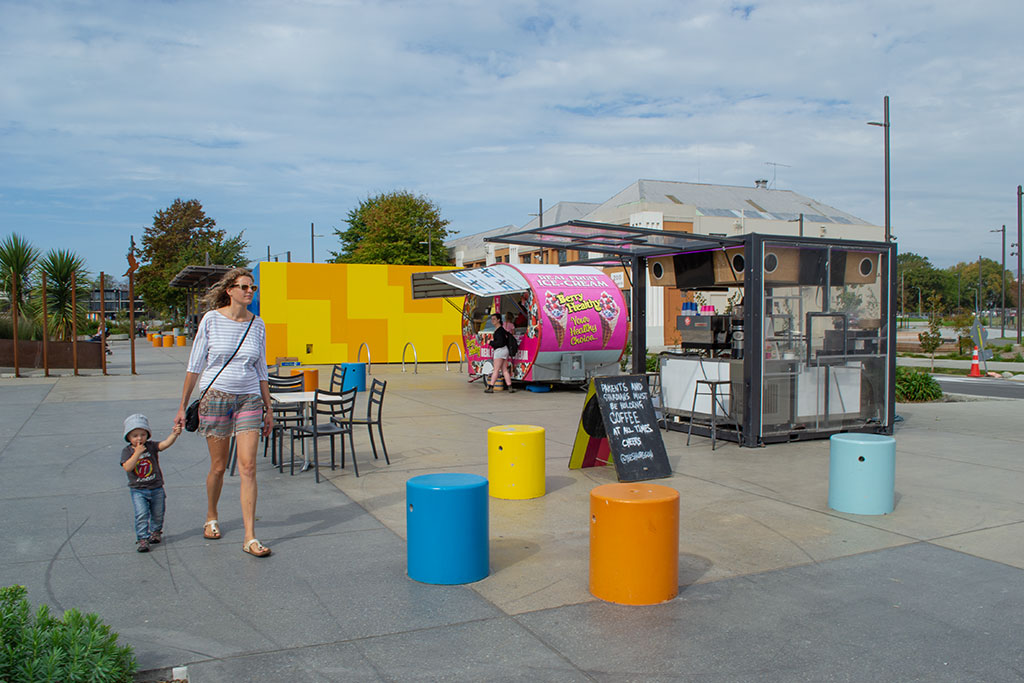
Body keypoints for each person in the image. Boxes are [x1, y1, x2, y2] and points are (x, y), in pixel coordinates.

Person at [174, 267, 275, 558]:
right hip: (216, 397)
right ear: (229, 290)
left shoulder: (258, 325)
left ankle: (250, 537)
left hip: (249, 400)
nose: (249, 292)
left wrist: (269, 409)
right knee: (219, 467)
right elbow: (195, 365)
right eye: (244, 287)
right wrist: (182, 406)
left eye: (252, 288)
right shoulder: (211, 320)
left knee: (248, 467)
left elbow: (261, 369)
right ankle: (211, 515)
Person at [121, 414, 181, 552]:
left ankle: (156, 532)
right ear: (128, 437)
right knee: (141, 514)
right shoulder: (127, 451)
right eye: (135, 435)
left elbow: (164, 444)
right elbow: (127, 467)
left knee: (158, 513)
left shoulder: (151, 446)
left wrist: (174, 434)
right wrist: (137, 453)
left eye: (142, 434)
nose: (139, 438)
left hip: (156, 488)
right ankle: (143, 538)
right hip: (138, 489)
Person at [485, 313, 516, 394]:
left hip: (499, 351)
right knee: (504, 370)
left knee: (496, 369)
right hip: (505, 350)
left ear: (499, 320)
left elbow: (500, 343)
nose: (492, 321)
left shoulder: (498, 331)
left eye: (494, 319)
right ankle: (510, 387)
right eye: (492, 319)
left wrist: (490, 342)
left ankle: (491, 387)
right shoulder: (503, 330)